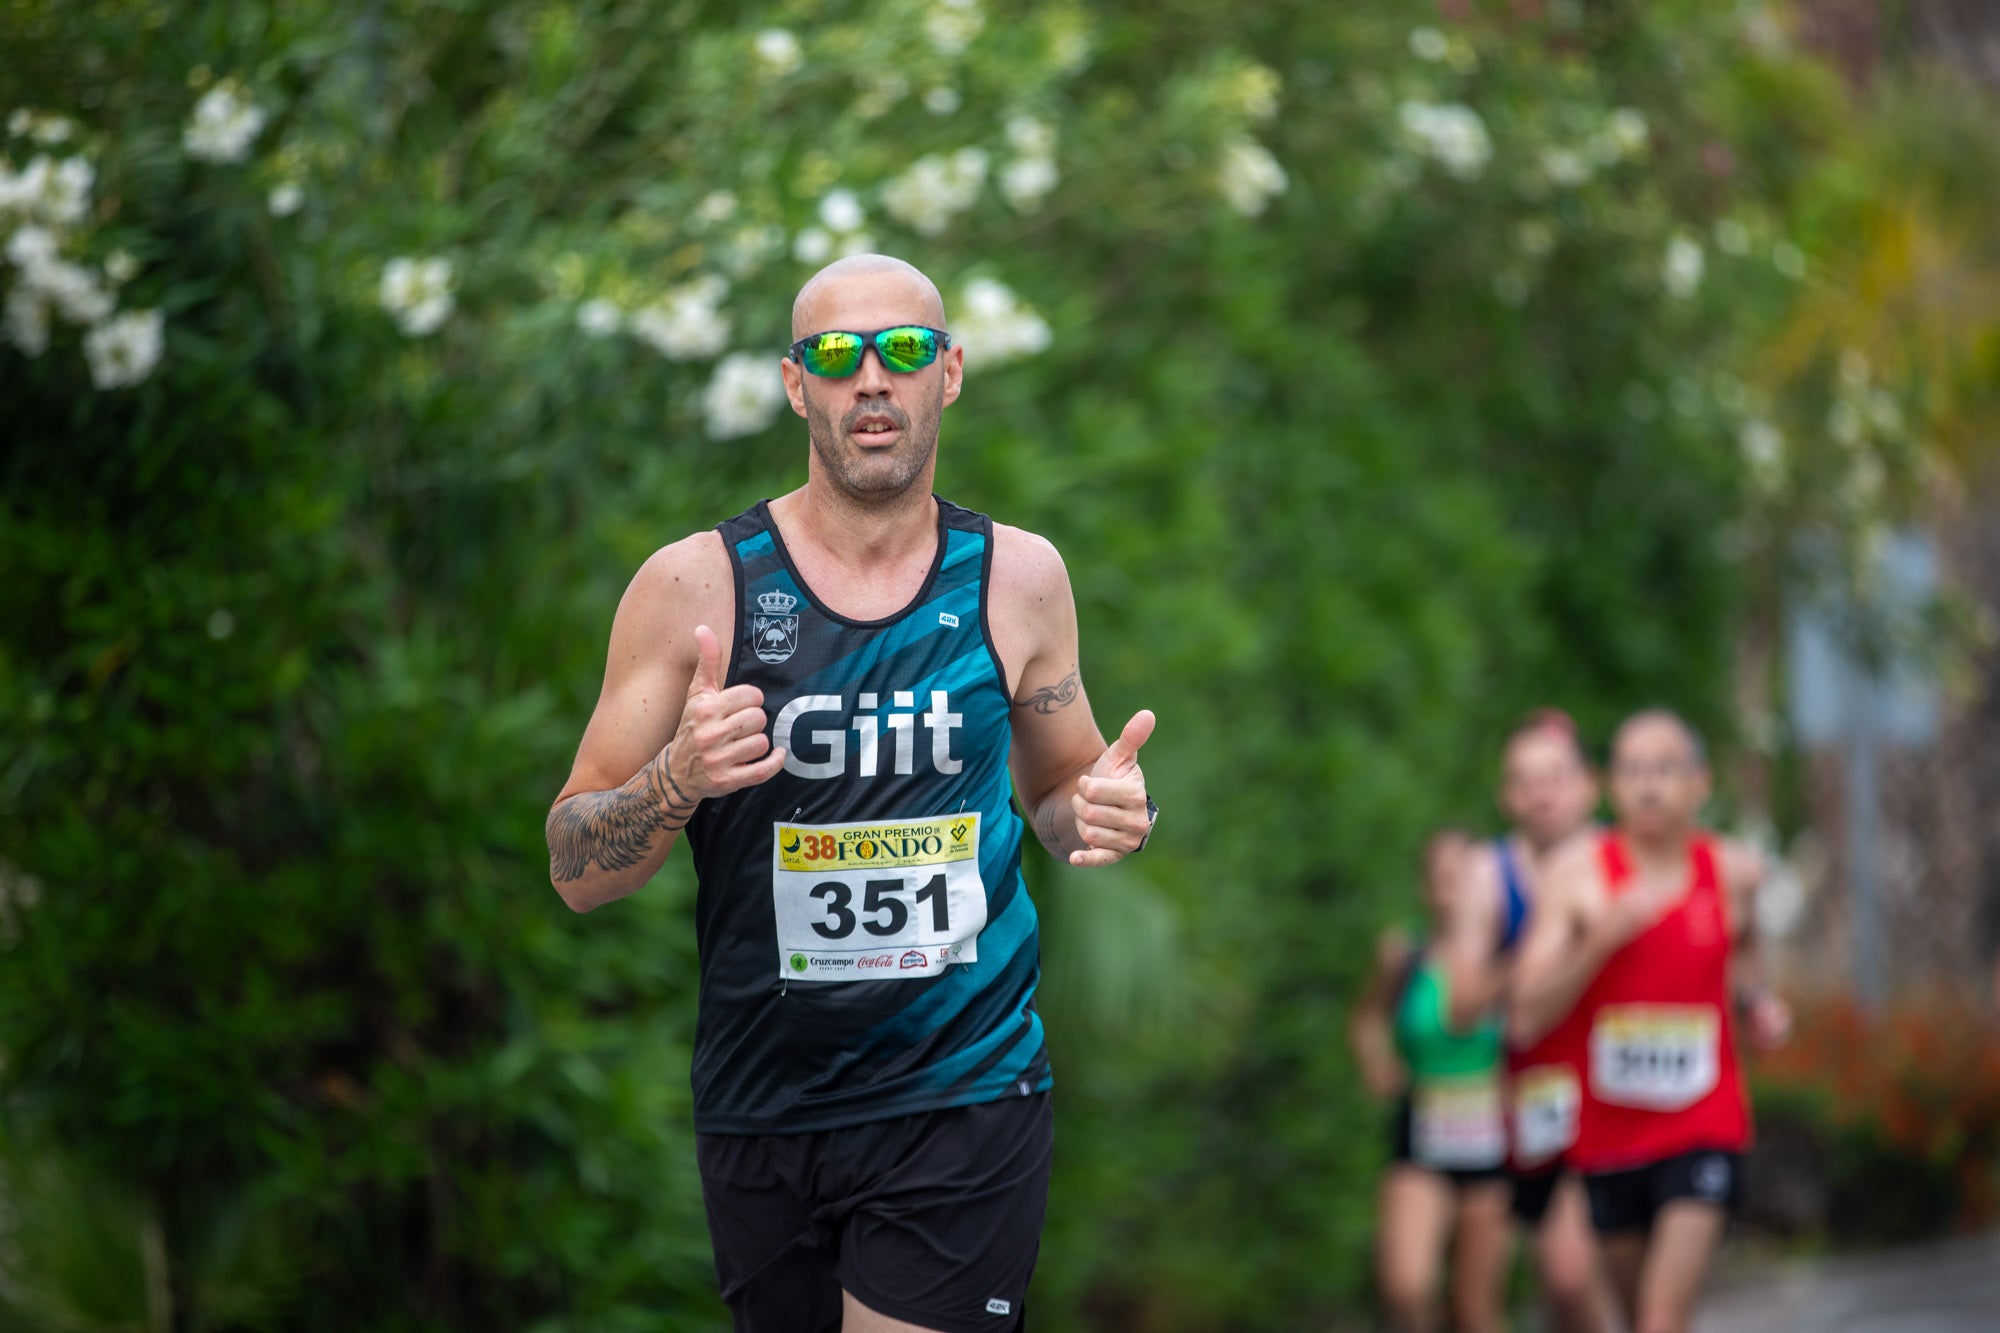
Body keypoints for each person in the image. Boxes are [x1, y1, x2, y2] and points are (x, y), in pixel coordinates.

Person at [544, 254, 1158, 1333]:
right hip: (765, 1104)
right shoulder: (697, 587)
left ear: (949, 374)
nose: (871, 377)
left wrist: (1094, 811)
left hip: (963, 1089)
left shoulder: (1016, 578)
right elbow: (573, 863)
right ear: (796, 386)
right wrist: (677, 778)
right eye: (837, 354)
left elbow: (1060, 789)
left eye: (904, 350)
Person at [1510, 710, 1791, 1333]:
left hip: (1704, 1122)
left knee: (1661, 1319)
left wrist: (1759, 1008)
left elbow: (1744, 959)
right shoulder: (1578, 877)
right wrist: (1597, 942)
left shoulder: (1733, 872)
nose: (1649, 785)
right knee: (1640, 1319)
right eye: (1633, 769)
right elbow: (1526, 1014)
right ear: (1610, 785)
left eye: (1666, 768)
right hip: (1610, 1136)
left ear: (1700, 783)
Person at [1436, 711, 1612, 1333]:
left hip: (1622, 1095)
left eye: (1556, 777)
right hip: (1536, 1096)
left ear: (1590, 786)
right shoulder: (1490, 872)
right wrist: (1541, 951)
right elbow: (1459, 1008)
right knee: (1563, 1281)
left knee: (1590, 1278)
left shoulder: (1620, 859)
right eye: (1525, 780)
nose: (1542, 793)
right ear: (1507, 796)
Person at [1351, 831, 1513, 1333]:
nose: (1450, 889)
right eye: (1439, 877)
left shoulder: (1512, 959)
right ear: (1425, 887)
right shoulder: (1406, 955)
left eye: (1461, 877)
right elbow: (1367, 1019)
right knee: (1406, 1287)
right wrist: (1378, 1062)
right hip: (1423, 1133)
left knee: (1474, 1309)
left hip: (1492, 1145)